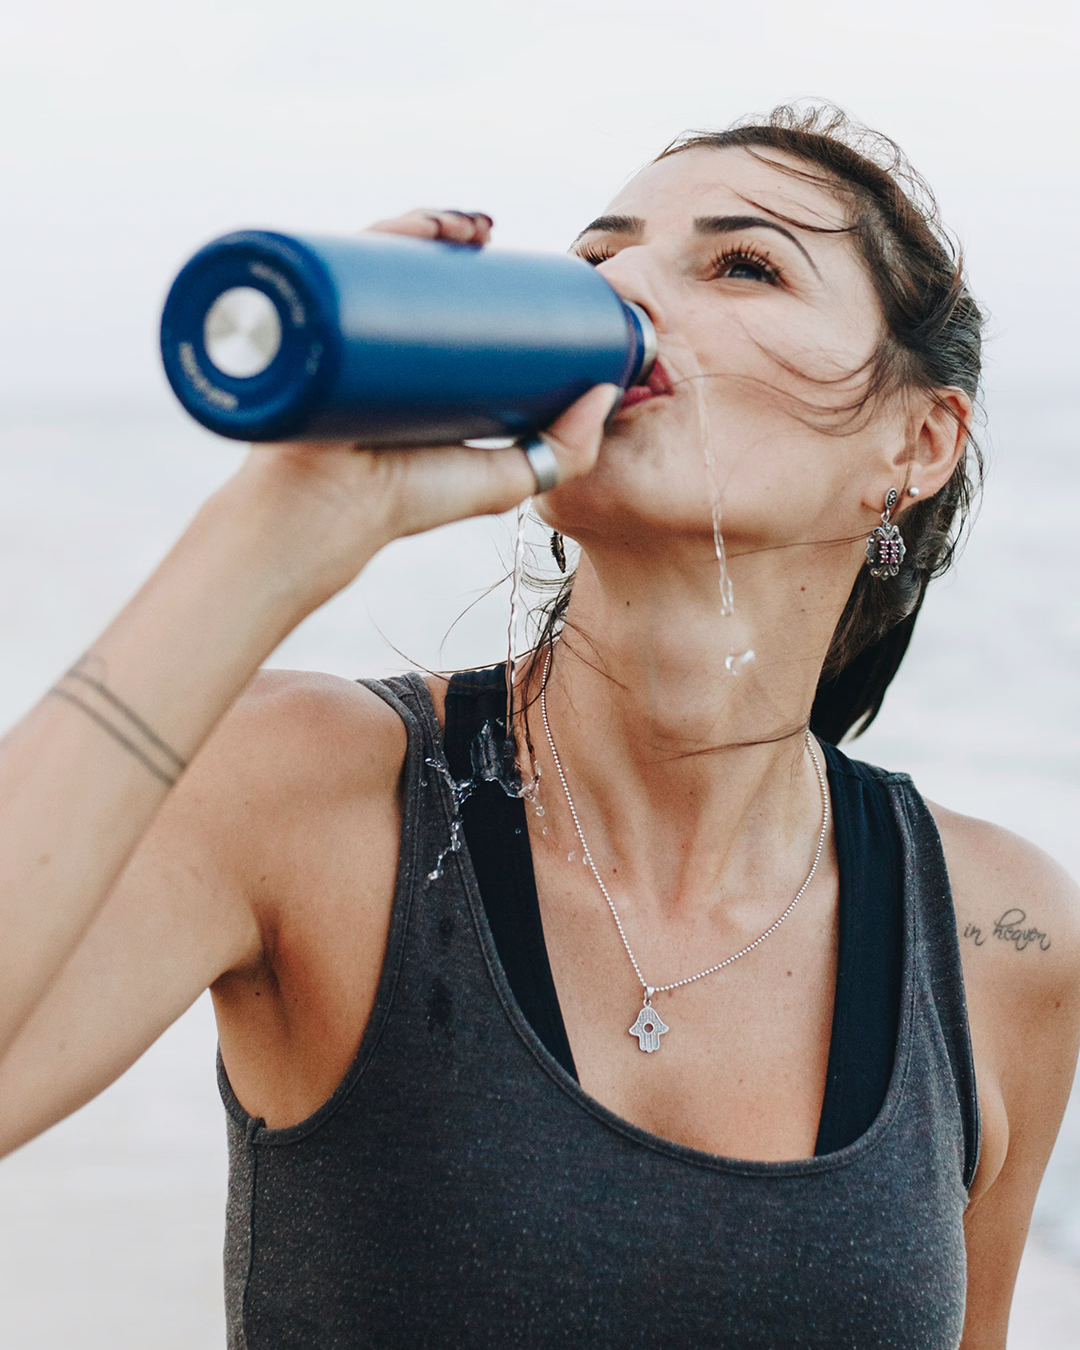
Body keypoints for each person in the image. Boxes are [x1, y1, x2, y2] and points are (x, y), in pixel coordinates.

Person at [0, 105, 1077, 1349]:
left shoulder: (1003, 934)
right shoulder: (308, 793)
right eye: (595, 261)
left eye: (745, 262)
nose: (621, 285)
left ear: (917, 441)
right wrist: (276, 529)